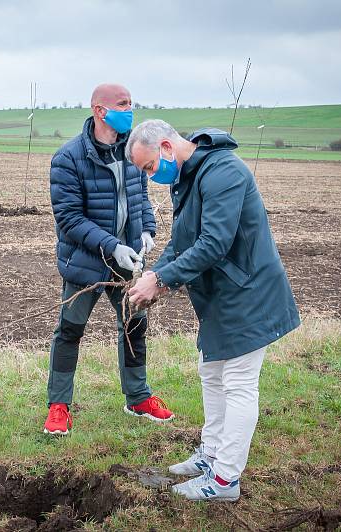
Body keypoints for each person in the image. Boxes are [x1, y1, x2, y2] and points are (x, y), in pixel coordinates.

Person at [127, 119, 300, 501]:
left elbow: (214, 242)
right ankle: (212, 454)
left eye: (149, 167)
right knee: (211, 371)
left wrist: (162, 280)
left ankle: (225, 480)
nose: (151, 176)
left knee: (238, 382)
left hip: (248, 293)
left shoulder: (223, 172)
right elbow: (183, 239)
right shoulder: (188, 177)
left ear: (168, 147)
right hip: (222, 295)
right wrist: (158, 272)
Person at [44, 84, 174, 436]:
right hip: (85, 262)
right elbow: (69, 219)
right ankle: (58, 405)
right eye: (122, 104)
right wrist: (111, 245)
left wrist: (147, 229)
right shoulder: (68, 158)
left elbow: (141, 195)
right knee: (70, 330)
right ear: (100, 111)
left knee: (135, 326)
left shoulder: (133, 150)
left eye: (131, 103)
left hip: (128, 263)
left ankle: (138, 397)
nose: (130, 109)